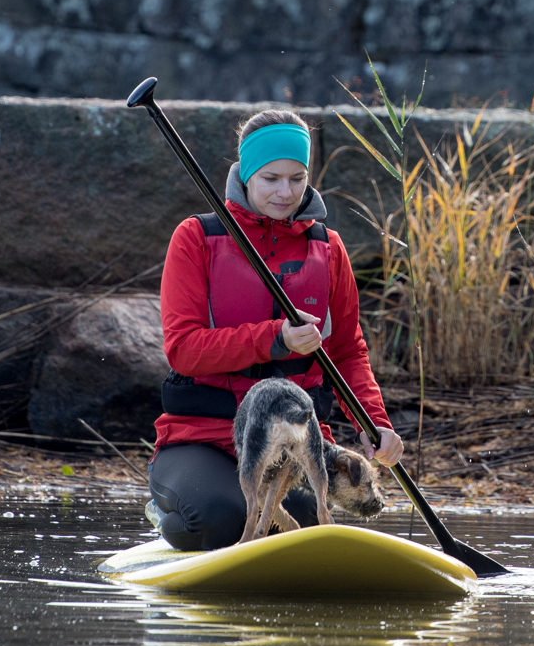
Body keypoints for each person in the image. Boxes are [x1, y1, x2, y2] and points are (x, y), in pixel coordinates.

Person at [149, 109, 403, 549]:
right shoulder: (195, 238)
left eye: (297, 178)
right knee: (220, 518)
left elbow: (346, 352)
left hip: (293, 442)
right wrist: (274, 339)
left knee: (302, 526)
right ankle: (168, 519)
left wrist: (373, 423)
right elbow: (183, 350)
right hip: (203, 436)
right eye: (270, 178)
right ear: (246, 175)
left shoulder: (328, 249)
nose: (285, 192)